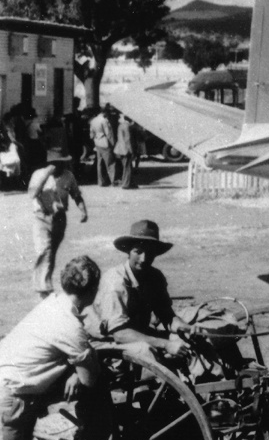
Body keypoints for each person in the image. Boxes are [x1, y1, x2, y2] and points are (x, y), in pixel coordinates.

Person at [0, 256, 108, 440]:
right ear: (93, 290)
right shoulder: (69, 325)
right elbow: (90, 379)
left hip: (8, 378)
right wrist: (78, 370)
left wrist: (72, 367)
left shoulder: (53, 304)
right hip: (14, 395)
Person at [91, 220, 190, 364]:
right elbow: (120, 334)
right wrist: (165, 344)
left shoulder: (155, 277)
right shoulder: (115, 282)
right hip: (107, 344)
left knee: (187, 341)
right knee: (147, 351)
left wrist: (186, 328)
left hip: (138, 335)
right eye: (138, 252)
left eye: (149, 253)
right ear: (128, 251)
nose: (143, 259)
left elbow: (167, 316)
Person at [28, 154, 88, 298]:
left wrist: (83, 211)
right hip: (41, 217)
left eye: (61, 163)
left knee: (51, 253)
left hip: (59, 218)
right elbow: (33, 193)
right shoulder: (39, 174)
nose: (58, 166)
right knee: (44, 250)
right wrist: (47, 174)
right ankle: (43, 288)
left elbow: (76, 194)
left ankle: (45, 283)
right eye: (55, 163)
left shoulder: (68, 176)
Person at [88, 108, 115, 187]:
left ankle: (101, 182)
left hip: (97, 143)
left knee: (99, 163)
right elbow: (108, 133)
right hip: (105, 143)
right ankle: (113, 181)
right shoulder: (104, 121)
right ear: (104, 113)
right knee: (110, 163)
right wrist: (113, 144)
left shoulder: (93, 121)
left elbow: (91, 135)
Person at [113, 115, 139, 189]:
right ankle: (126, 184)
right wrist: (132, 151)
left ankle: (130, 183)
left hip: (120, 148)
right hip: (126, 149)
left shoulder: (121, 125)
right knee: (127, 167)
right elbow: (128, 140)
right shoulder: (128, 126)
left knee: (127, 166)